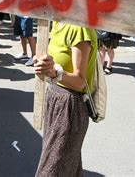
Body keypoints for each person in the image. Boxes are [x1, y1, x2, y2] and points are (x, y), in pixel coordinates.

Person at [33, 22, 98, 175]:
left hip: (70, 108)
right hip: (54, 101)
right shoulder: (55, 21)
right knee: (67, 167)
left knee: (52, 169)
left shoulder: (79, 27)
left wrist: (54, 72)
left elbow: (80, 81)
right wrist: (43, 64)